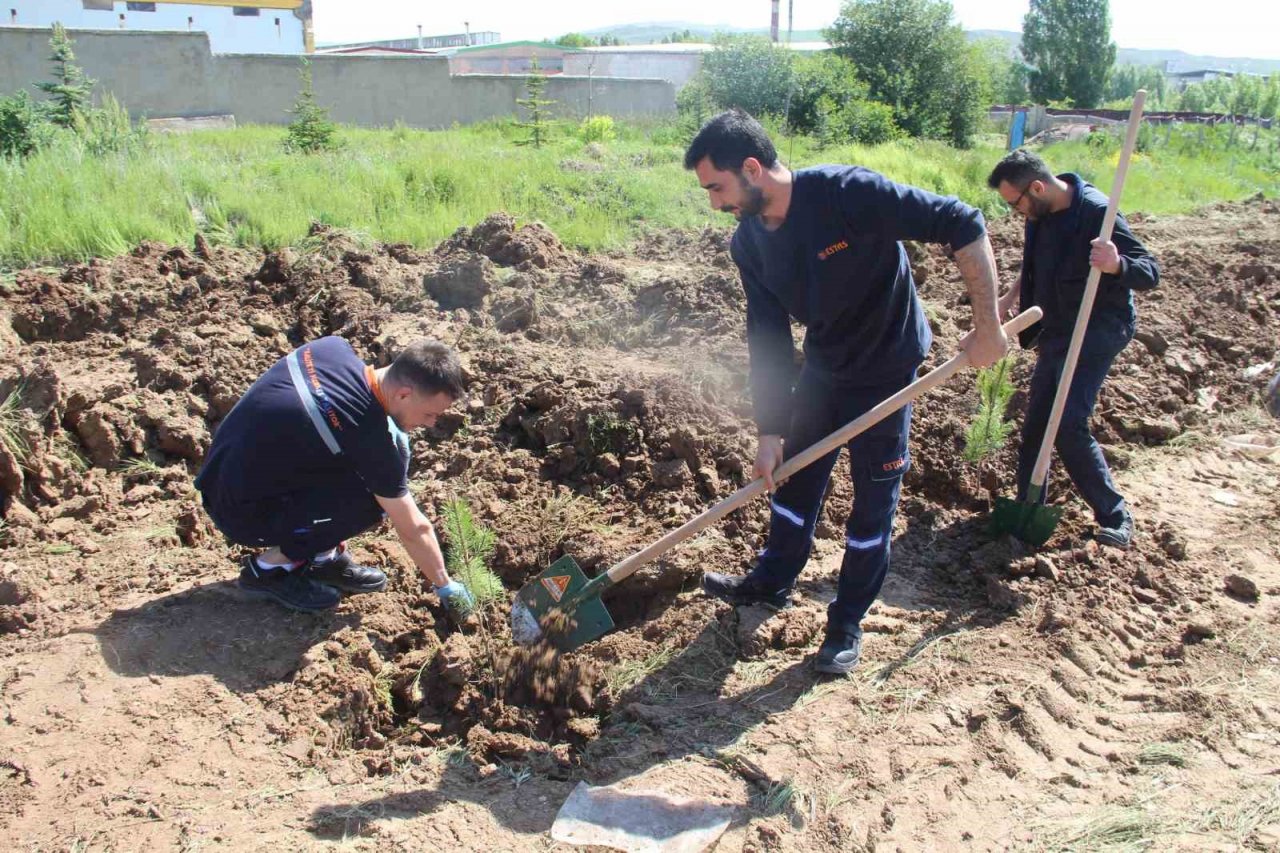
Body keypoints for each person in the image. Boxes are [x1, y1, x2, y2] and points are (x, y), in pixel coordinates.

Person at [684, 110, 1008, 675]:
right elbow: (768, 338)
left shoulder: (847, 194)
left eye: (717, 187)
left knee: (872, 502)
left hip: (888, 367)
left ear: (753, 169)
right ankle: (773, 580)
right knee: (793, 477)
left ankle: (846, 623)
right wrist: (769, 429)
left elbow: (963, 222)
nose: (715, 203)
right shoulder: (749, 245)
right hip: (826, 366)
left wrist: (987, 328)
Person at [195, 335, 476, 616]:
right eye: (430, 414)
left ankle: (322, 557)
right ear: (403, 394)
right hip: (238, 513)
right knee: (372, 501)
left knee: (355, 467)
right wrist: (444, 584)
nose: (430, 423)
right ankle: (270, 570)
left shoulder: (332, 348)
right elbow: (414, 528)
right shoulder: (367, 436)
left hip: (221, 473)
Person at [987, 149, 1160, 549]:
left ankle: (1114, 514)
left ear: (1038, 187)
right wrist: (1009, 298)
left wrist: (1116, 264)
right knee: (1035, 426)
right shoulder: (1040, 215)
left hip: (1098, 330)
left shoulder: (1099, 213)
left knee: (1066, 424)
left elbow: (1149, 271)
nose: (1017, 213)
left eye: (1016, 204)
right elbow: (1033, 264)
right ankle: (1029, 508)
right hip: (1059, 330)